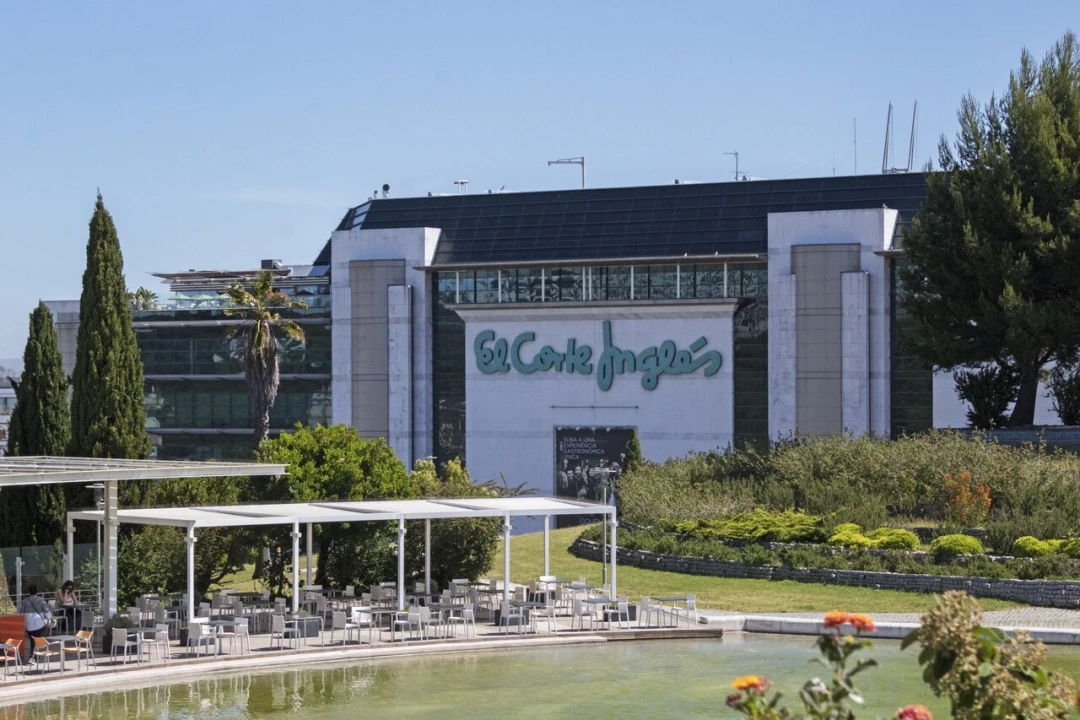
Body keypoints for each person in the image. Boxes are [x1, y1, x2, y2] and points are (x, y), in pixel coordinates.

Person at [19, 584, 51, 661]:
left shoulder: (25, 601)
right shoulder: (41, 600)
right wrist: (51, 619)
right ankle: (33, 656)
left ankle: (33, 656)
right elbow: (46, 610)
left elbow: (21, 612)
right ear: (37, 591)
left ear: (28, 592)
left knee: (32, 639)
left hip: (28, 624)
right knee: (37, 639)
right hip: (38, 624)